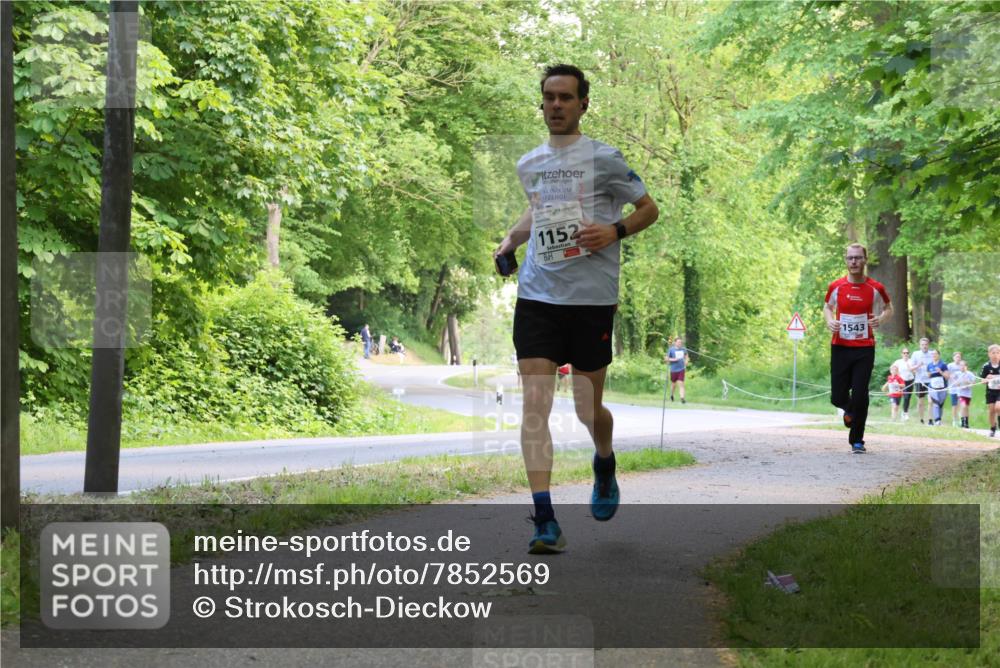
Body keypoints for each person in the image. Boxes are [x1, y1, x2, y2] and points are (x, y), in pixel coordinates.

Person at [494, 64, 659, 553]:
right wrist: (509, 241)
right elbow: (538, 210)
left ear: (583, 104)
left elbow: (649, 209)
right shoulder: (530, 163)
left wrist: (615, 231)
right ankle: (544, 519)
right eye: (549, 97)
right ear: (541, 103)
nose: (557, 105)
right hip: (538, 298)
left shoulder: (605, 160)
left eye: (567, 97)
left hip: (590, 302)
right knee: (535, 408)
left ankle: (604, 460)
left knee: (588, 408)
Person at [823, 242, 893, 454]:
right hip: (840, 346)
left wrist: (880, 319)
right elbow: (827, 307)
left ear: (865, 260)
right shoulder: (836, 286)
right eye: (850, 258)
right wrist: (829, 321)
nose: (853, 261)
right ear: (846, 261)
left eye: (857, 258)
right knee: (837, 396)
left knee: (861, 394)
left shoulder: (875, 287)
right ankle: (851, 412)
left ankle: (857, 441)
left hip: (864, 348)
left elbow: (889, 308)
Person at [909, 337, 932, 423]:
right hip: (919, 381)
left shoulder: (932, 353)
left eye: (926, 344)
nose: (924, 346)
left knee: (931, 401)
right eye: (922, 345)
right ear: (920, 345)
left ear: (928, 345)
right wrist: (918, 365)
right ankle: (921, 419)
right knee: (920, 402)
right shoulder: (915, 354)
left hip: (930, 381)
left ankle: (930, 419)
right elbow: (911, 368)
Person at [890, 346, 915, 420]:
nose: (906, 354)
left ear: (909, 354)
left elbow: (914, 371)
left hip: (910, 381)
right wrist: (896, 375)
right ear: (902, 354)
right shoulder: (898, 361)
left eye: (907, 353)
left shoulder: (911, 361)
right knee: (903, 397)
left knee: (908, 398)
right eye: (904, 353)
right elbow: (891, 368)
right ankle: (897, 413)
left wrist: (912, 370)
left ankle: (904, 413)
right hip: (901, 382)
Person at [925, 350, 949, 426]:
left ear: (939, 355)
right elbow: (928, 376)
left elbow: (947, 377)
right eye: (932, 354)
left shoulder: (943, 365)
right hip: (932, 387)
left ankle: (938, 419)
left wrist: (941, 372)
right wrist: (929, 374)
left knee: (940, 404)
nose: (934, 355)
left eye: (935, 354)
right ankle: (936, 420)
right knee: (935, 403)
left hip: (942, 387)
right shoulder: (929, 365)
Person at [664, 336, 689, 403]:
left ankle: (682, 398)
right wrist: (673, 359)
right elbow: (666, 359)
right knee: (673, 384)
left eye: (680, 342)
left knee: (681, 383)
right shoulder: (671, 350)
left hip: (681, 369)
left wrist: (686, 362)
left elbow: (686, 357)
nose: (680, 343)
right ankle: (672, 395)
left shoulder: (683, 349)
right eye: (678, 342)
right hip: (673, 370)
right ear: (675, 343)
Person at [982, 344, 1000, 437]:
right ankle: (993, 427)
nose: (995, 355)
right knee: (992, 410)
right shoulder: (986, 366)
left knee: (998, 407)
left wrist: (994, 377)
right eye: (993, 353)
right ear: (989, 354)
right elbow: (982, 381)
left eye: (998, 353)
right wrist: (986, 379)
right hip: (990, 391)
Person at [953, 359, 976, 429]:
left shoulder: (970, 374)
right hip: (960, 393)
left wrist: (968, 382)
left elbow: (974, 382)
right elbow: (953, 380)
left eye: (964, 365)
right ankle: (963, 422)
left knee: (966, 408)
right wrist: (958, 383)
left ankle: (966, 422)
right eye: (961, 365)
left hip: (968, 394)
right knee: (963, 406)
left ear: (966, 366)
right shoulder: (957, 373)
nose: (962, 367)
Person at [947, 351, 964, 426]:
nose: (958, 358)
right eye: (956, 357)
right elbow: (948, 375)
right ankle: (954, 420)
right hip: (953, 388)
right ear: (953, 358)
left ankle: (961, 419)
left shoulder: (962, 365)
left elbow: (965, 374)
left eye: (959, 357)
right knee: (954, 405)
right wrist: (954, 381)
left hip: (961, 388)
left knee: (961, 404)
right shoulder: (950, 365)